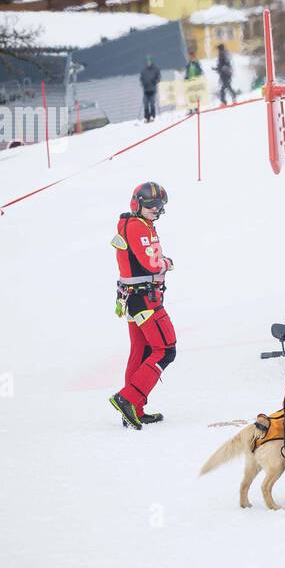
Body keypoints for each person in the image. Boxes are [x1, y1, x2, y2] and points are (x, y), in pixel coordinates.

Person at [109, 182, 175, 430]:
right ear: (137, 204)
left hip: (133, 298)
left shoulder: (135, 223)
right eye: (151, 205)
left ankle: (134, 409)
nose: (156, 209)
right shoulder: (137, 227)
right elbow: (151, 263)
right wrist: (167, 263)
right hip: (145, 299)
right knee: (166, 349)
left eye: (159, 206)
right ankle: (127, 399)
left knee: (142, 351)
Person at [140, 57, 160, 123]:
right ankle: (146, 117)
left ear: (151, 62)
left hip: (153, 89)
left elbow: (158, 77)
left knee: (152, 103)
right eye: (147, 62)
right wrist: (142, 83)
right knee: (145, 103)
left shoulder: (155, 69)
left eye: (149, 62)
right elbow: (141, 78)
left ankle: (152, 116)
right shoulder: (144, 70)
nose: (148, 63)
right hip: (146, 90)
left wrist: (155, 81)